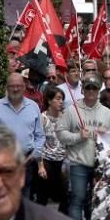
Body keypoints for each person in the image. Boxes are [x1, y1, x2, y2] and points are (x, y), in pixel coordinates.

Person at [57, 75, 110, 220]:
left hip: (100, 164)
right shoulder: (71, 110)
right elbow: (60, 133)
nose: (91, 91)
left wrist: (107, 135)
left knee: (97, 201)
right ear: (82, 89)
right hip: (79, 163)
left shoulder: (106, 112)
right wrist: (78, 136)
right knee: (77, 199)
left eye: (94, 88)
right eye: (88, 87)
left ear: (98, 91)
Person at [0, 72, 44, 197]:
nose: (16, 89)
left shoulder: (33, 107)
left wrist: (33, 156)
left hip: (27, 161)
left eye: (19, 86)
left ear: (24, 87)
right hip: (2, 162)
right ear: (7, 87)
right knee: (4, 196)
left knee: (24, 198)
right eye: (12, 86)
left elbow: (40, 136)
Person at [33, 85, 68, 213]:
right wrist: (40, 166)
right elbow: (38, 142)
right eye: (58, 98)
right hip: (46, 160)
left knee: (66, 195)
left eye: (62, 99)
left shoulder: (66, 118)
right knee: (42, 197)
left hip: (62, 161)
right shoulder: (42, 118)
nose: (61, 101)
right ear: (49, 100)